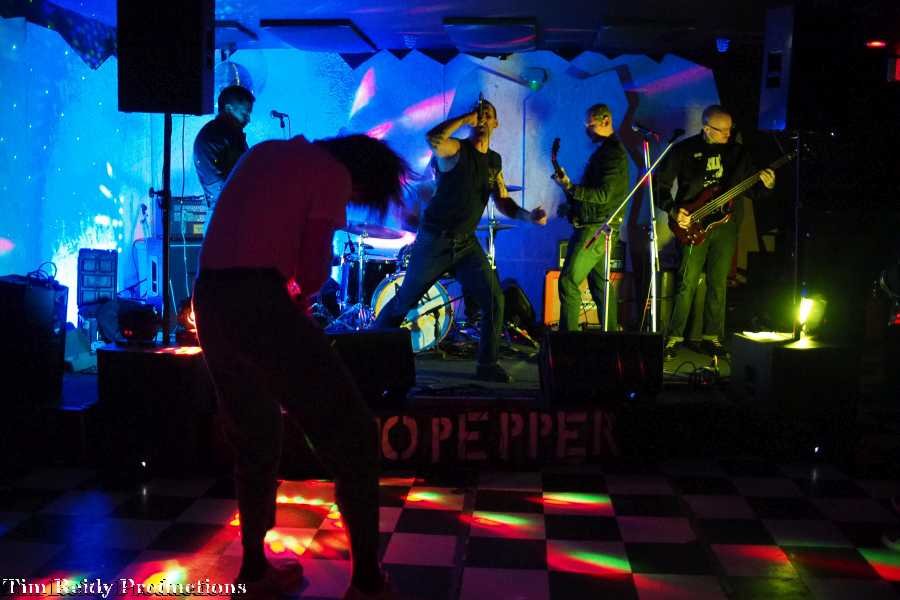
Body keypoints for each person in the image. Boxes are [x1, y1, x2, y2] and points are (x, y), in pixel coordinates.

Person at [193, 133, 410, 600]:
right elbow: (312, 273)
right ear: (361, 175)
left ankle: (254, 571)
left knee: (254, 434)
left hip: (209, 299)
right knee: (354, 435)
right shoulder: (331, 173)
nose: (351, 203)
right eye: (358, 197)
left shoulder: (265, 152)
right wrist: (298, 298)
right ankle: (368, 582)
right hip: (258, 301)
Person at [373, 99, 547, 383]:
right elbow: (433, 139)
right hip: (434, 241)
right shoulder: (455, 149)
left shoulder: (494, 161)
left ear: (496, 123)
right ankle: (368, 350)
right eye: (479, 114)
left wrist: (529, 216)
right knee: (404, 303)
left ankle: (487, 365)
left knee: (494, 300)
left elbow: (502, 200)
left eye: (487, 114)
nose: (482, 118)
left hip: (466, 244)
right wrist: (466, 117)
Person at [655, 105, 775, 359]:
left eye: (731, 129)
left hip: (726, 225)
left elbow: (752, 191)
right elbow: (660, 186)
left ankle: (713, 337)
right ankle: (673, 337)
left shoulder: (738, 153)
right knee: (687, 281)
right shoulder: (683, 150)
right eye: (723, 131)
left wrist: (766, 185)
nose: (728, 134)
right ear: (707, 129)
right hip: (693, 223)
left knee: (718, 282)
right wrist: (674, 211)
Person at [552, 103, 630, 332]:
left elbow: (604, 195)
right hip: (599, 226)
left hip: (597, 228)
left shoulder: (613, 154)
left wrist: (571, 188)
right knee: (600, 288)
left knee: (568, 281)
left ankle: (568, 343)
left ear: (606, 121)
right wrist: (571, 201)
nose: (587, 131)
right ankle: (612, 339)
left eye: (591, 126)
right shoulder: (606, 151)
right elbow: (596, 193)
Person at [193, 85, 255, 234]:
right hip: (226, 218)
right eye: (245, 113)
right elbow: (223, 185)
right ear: (228, 109)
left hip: (226, 215)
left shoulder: (225, 135)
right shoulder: (217, 137)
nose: (248, 119)